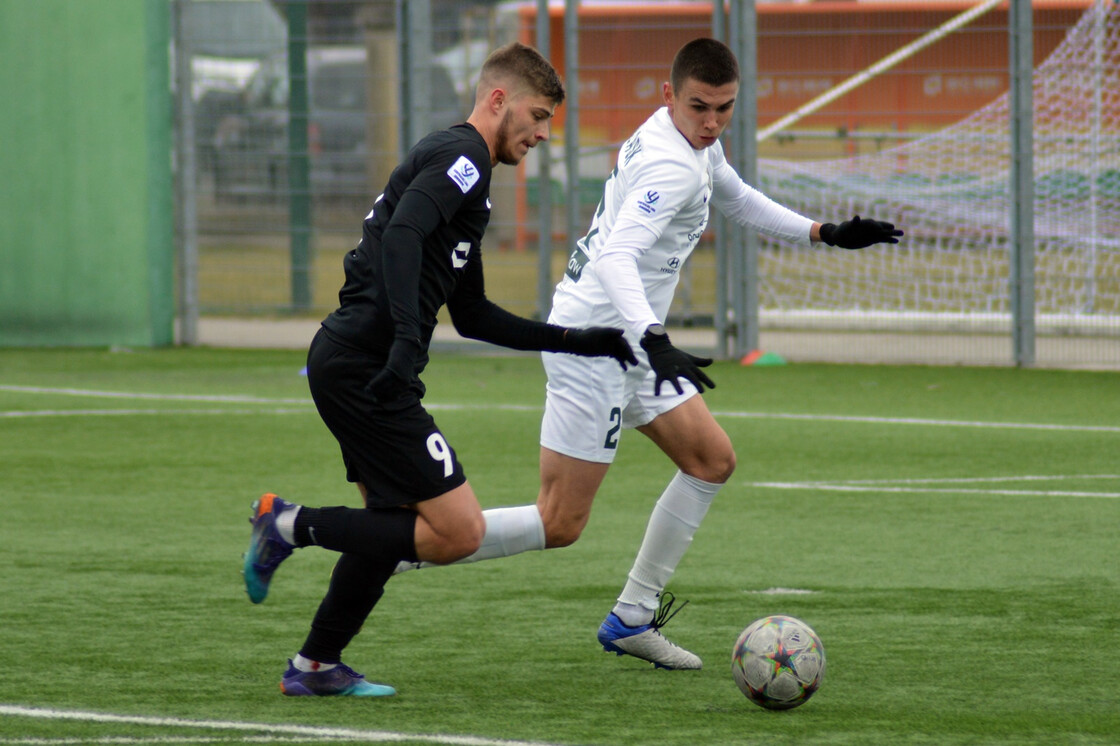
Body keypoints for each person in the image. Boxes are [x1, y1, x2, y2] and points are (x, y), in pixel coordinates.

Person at [394, 37, 902, 670]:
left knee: (711, 460)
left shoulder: (688, 140)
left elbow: (736, 196)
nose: (712, 122)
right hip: (596, 342)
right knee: (560, 523)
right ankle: (406, 545)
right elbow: (616, 258)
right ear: (669, 96)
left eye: (724, 108)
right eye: (699, 108)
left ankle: (632, 616)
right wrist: (653, 337)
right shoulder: (669, 165)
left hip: (633, 342)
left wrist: (824, 233)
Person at [240, 41, 637, 698]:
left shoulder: (469, 184)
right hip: (366, 366)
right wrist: (401, 345)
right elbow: (401, 238)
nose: (541, 134)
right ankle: (284, 523)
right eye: (536, 116)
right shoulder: (464, 158)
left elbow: (473, 313)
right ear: (497, 100)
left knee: (389, 526)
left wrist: (579, 339)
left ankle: (314, 666)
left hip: (354, 363)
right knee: (456, 531)